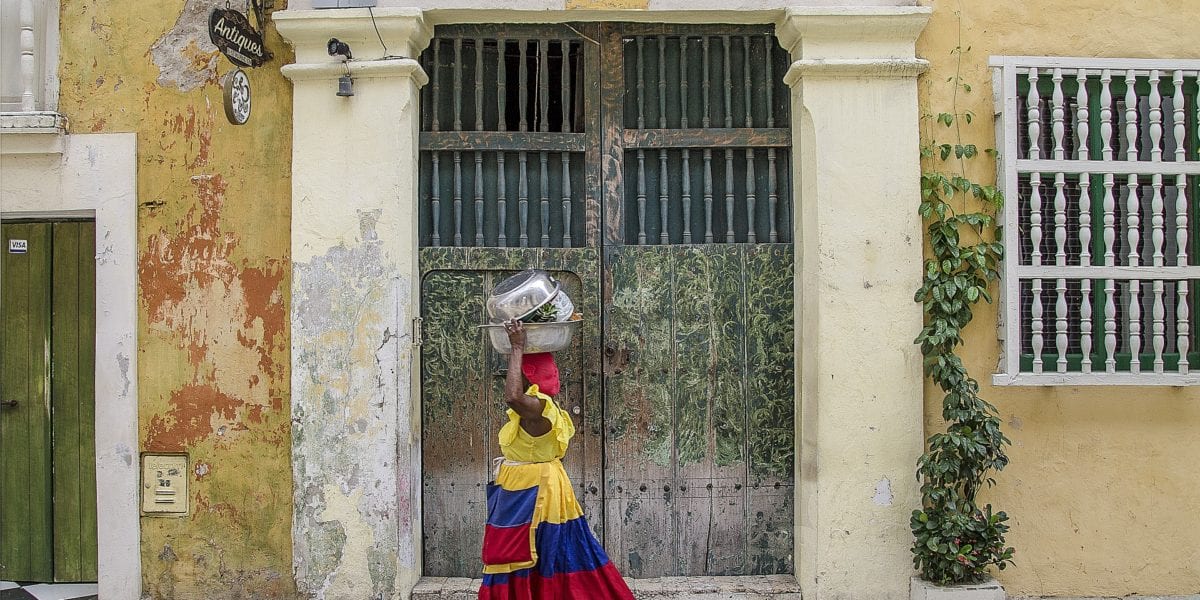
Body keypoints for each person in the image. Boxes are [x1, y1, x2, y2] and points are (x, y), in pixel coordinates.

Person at [479, 319, 634, 600]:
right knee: (531, 552)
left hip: (533, 498)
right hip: (527, 491)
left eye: (518, 370)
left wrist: (517, 347)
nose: (510, 374)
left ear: (529, 377)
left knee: (527, 552)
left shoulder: (538, 409)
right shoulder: (541, 408)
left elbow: (512, 396)